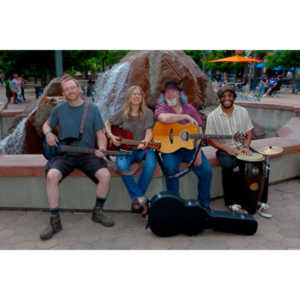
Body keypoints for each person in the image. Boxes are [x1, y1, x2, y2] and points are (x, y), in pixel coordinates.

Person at [40, 75, 114, 241]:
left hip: (87, 155)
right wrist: (48, 133)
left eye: (73, 88)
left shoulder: (93, 109)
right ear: (64, 93)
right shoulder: (59, 109)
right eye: (66, 90)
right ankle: (54, 220)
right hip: (65, 155)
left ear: (80, 89)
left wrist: (102, 148)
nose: (70, 91)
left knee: (105, 175)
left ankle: (98, 212)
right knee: (52, 176)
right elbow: (46, 124)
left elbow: (100, 134)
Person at [205, 84, 272, 217]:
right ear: (219, 99)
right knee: (229, 166)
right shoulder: (213, 116)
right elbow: (210, 140)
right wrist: (228, 149)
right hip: (225, 148)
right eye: (223, 96)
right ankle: (232, 203)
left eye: (230, 96)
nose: (227, 98)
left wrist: (246, 146)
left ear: (234, 97)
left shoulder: (243, 111)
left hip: (243, 147)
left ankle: (260, 201)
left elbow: (249, 132)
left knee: (263, 164)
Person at [154, 81, 212, 208]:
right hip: (170, 149)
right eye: (167, 92)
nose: (170, 94)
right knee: (170, 169)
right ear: (164, 95)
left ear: (179, 94)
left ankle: (204, 205)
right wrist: (184, 116)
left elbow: (199, 130)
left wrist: (197, 150)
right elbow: (163, 118)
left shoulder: (190, 108)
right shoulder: (162, 107)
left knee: (206, 171)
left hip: (190, 147)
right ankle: (175, 205)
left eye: (173, 91)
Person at [105, 85, 157, 217]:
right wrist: (111, 136)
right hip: (125, 148)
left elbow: (149, 132)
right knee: (122, 166)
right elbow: (107, 123)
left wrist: (145, 142)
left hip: (142, 149)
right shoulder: (123, 112)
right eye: (133, 94)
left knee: (150, 164)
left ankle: (137, 199)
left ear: (142, 97)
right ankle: (141, 199)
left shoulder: (148, 113)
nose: (136, 96)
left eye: (139, 94)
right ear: (129, 97)